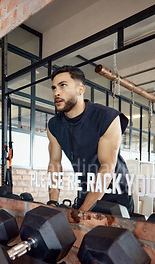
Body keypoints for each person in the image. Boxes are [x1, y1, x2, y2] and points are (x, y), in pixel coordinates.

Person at [47, 65, 133, 212]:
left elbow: (107, 168)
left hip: (115, 195)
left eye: (63, 86)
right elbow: (55, 165)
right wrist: (52, 203)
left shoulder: (107, 117)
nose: (57, 92)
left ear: (81, 89)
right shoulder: (54, 125)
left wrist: (82, 212)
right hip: (85, 190)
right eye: (54, 88)